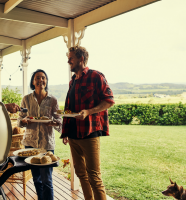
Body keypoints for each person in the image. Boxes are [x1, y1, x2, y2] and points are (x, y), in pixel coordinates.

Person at [61, 46, 115, 200]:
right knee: (80, 173)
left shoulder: (96, 76)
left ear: (81, 59)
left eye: (71, 58)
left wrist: (89, 111)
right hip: (73, 135)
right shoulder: (73, 81)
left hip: (89, 132)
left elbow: (109, 100)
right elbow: (69, 109)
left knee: (94, 176)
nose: (68, 61)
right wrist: (65, 132)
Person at [18, 69, 62, 200]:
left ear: (46, 81)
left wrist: (52, 123)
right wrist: (24, 121)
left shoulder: (53, 100)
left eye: (43, 78)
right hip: (30, 144)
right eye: (37, 78)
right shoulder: (26, 99)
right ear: (33, 81)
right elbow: (20, 120)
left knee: (47, 180)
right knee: (36, 179)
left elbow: (59, 121)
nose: (40, 80)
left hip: (46, 144)